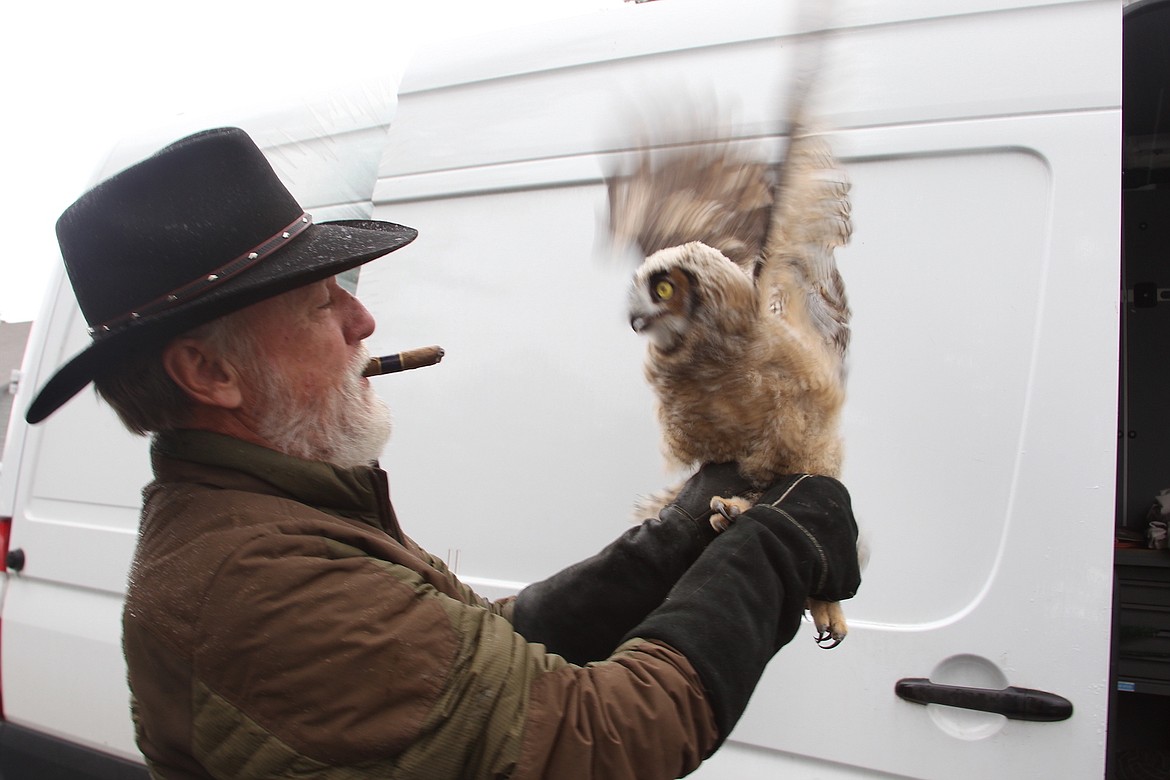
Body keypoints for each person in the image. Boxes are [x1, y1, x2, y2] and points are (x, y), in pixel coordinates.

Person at [27, 127, 861, 779]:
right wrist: (770, 553)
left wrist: (671, 543)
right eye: (322, 305)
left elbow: (468, 664)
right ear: (209, 371)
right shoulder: (257, 583)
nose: (364, 324)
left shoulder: (277, 518)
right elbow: (593, 742)